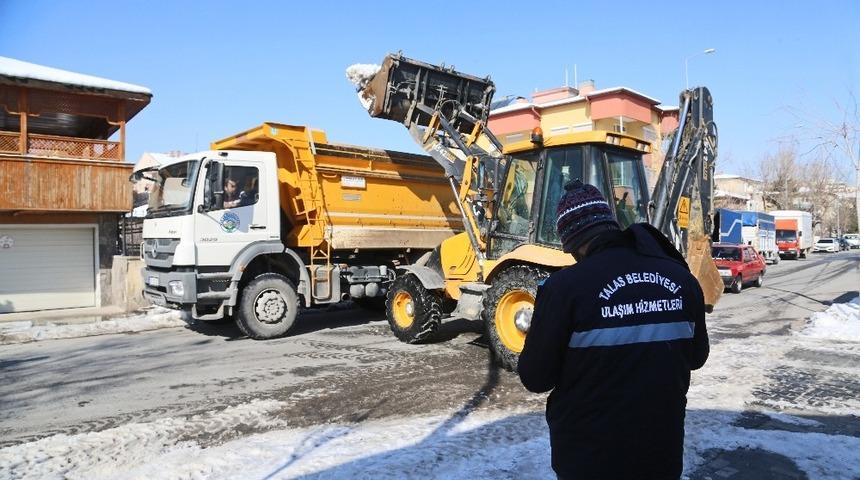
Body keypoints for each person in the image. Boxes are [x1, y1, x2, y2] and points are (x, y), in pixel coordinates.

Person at [518, 180, 710, 480]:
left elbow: (535, 377)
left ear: (572, 241)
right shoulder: (681, 279)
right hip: (661, 454)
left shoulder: (565, 288)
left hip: (590, 459)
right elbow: (697, 357)